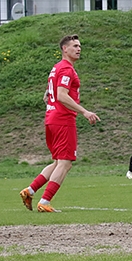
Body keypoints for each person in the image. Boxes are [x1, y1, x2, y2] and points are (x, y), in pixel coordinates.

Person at [20, 35, 100, 213]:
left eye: (80, 46)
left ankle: (29, 191)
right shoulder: (66, 69)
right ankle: (45, 201)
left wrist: (52, 101)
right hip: (63, 120)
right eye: (74, 46)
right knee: (66, 163)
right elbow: (62, 95)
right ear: (64, 48)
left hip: (51, 119)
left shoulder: (56, 68)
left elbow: (49, 94)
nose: (78, 49)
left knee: (58, 162)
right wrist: (84, 111)